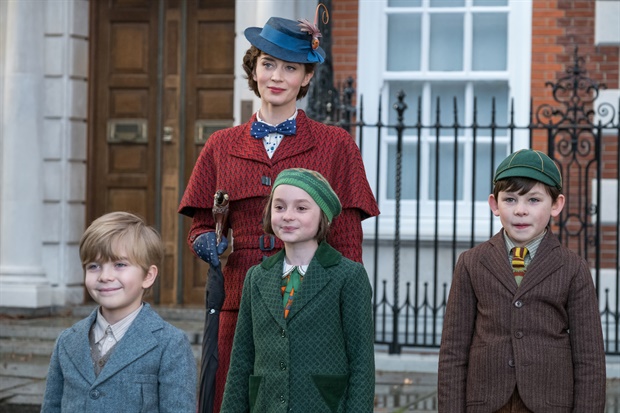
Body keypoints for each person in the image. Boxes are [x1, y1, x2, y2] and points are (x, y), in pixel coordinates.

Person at [178, 14, 379, 411]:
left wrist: (338, 300)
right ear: (253, 69)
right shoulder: (221, 144)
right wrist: (206, 242)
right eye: (268, 64)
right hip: (239, 301)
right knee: (233, 397)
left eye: (290, 67)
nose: (277, 76)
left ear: (306, 77)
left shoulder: (335, 144)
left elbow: (347, 241)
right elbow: (201, 223)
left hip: (313, 306)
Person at [437, 149, 606, 412]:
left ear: (556, 205)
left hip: (550, 403)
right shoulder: (471, 262)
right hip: (486, 402)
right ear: (495, 204)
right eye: (511, 199)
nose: (521, 211)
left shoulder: (574, 268)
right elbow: (453, 352)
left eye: (534, 200)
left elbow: (590, 359)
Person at [220, 168, 375, 412]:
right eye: (279, 207)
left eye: (301, 208)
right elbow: (241, 360)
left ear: (322, 215)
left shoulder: (348, 276)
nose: (288, 216)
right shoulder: (256, 277)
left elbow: (361, 363)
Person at [41, 212, 197, 413]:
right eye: (94, 266)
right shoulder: (67, 341)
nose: (105, 276)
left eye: (120, 265)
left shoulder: (171, 344)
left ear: (148, 276)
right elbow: (51, 407)